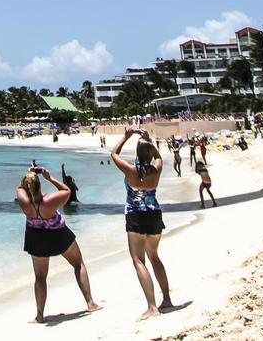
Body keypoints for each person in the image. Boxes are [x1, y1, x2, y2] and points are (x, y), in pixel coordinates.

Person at [15, 164, 101, 323]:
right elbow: (67, 191)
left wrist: (28, 175)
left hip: (36, 238)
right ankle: (90, 303)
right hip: (58, 235)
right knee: (78, 264)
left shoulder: (25, 202)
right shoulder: (49, 201)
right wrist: (50, 177)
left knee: (40, 277)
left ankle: (40, 315)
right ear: (40, 185)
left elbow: (20, 187)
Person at [110, 128, 174, 321]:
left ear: (137, 155)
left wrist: (126, 136)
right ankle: (167, 299)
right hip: (154, 214)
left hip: (136, 216)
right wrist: (147, 140)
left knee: (139, 261)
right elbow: (158, 156)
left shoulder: (130, 171)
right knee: (154, 257)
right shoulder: (157, 169)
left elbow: (113, 154)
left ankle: (152, 306)